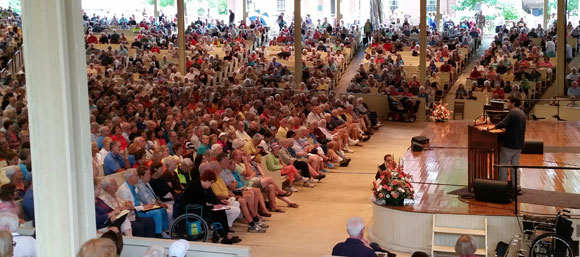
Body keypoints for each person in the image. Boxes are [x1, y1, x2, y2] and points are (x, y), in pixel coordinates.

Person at [489, 97, 527, 191]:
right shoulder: (522, 113)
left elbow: (503, 123)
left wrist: (492, 127)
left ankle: (503, 185)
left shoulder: (513, 112)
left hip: (510, 143)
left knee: (503, 164)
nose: (507, 103)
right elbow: (515, 127)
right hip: (519, 144)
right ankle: (516, 186)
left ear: (513, 103)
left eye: (508, 102)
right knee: (515, 166)